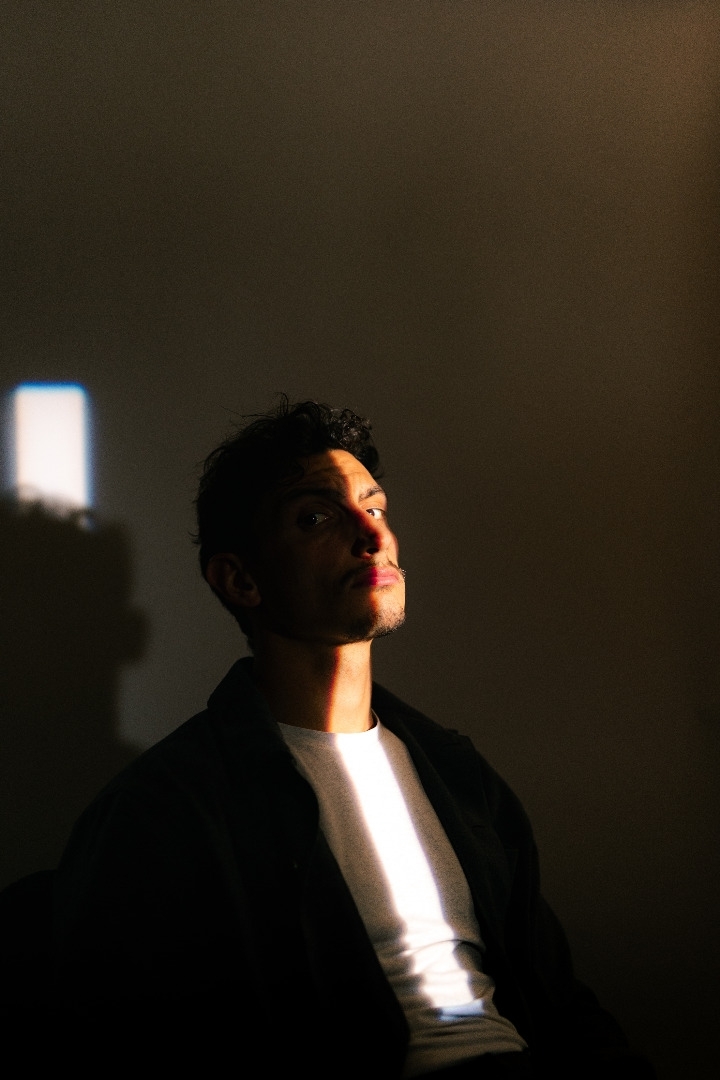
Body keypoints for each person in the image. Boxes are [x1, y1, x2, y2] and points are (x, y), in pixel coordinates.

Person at [51, 400, 654, 1078]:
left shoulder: (456, 773)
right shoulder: (167, 808)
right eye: (316, 518)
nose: (372, 536)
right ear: (240, 579)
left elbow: (561, 1001)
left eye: (374, 507)